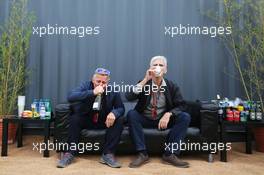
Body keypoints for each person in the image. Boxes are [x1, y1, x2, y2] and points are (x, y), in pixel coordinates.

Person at [126, 56, 190, 168]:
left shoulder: (171, 86)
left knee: (184, 117)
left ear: (165, 70)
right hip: (145, 119)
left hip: (163, 120)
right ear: (150, 68)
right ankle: (142, 153)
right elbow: (129, 97)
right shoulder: (144, 83)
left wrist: (169, 114)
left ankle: (170, 154)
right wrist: (145, 79)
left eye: (161, 65)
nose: (158, 67)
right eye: (155, 65)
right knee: (132, 114)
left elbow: (182, 105)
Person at [57, 68, 125, 168]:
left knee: (119, 120)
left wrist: (114, 113)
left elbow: (121, 108)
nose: (101, 84)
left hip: (104, 121)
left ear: (108, 82)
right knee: (74, 118)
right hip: (86, 118)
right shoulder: (85, 86)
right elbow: (70, 96)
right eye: (98, 81)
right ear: (93, 80)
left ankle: (108, 154)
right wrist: (92, 92)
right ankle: (70, 153)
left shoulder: (113, 90)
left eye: (104, 82)